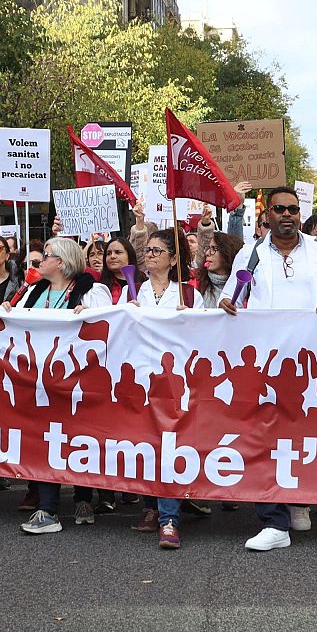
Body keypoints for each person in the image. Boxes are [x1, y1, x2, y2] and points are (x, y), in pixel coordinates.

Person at [220, 186, 317, 551]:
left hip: (310, 365)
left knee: (306, 435)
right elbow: (234, 297)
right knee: (265, 438)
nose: (287, 215)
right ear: (267, 215)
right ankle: (274, 522)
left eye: (293, 209)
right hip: (265, 366)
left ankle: (299, 499)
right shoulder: (251, 253)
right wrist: (228, 302)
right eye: (279, 209)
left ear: (299, 214)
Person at [12, 237, 110, 535]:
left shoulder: (92, 293)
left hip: (77, 380)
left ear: (62, 263)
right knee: (46, 441)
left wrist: (90, 317)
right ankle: (48, 508)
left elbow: (108, 327)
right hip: (39, 379)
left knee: (80, 439)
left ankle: (83, 498)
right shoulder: (31, 291)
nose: (39, 261)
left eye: (46, 255)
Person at [127, 231, 193, 548]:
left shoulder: (189, 295)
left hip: (174, 386)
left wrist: (193, 318)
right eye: (147, 249)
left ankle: (169, 519)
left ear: (174, 259)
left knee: (167, 447)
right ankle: (151, 507)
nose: (150, 254)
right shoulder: (130, 292)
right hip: (141, 383)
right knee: (147, 447)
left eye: (157, 250)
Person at [192, 232, 244, 307]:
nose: (207, 253)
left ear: (227, 252)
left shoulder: (244, 287)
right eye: (208, 248)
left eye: (213, 249)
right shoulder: (196, 280)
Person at [99, 237, 139, 304]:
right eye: (108, 253)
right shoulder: (99, 284)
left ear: (129, 255)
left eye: (118, 252)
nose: (112, 256)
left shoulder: (144, 281)